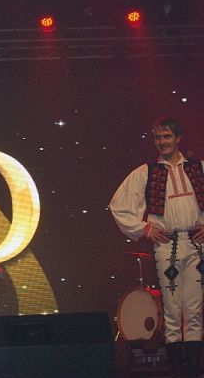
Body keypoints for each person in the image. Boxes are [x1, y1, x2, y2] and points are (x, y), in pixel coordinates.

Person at [110, 116, 204, 378]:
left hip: (196, 245)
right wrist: (145, 229)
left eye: (167, 136)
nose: (162, 142)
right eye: (158, 137)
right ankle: (179, 371)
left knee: (194, 309)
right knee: (172, 310)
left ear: (178, 138)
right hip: (166, 246)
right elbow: (119, 206)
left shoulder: (198, 168)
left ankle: (193, 370)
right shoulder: (147, 172)